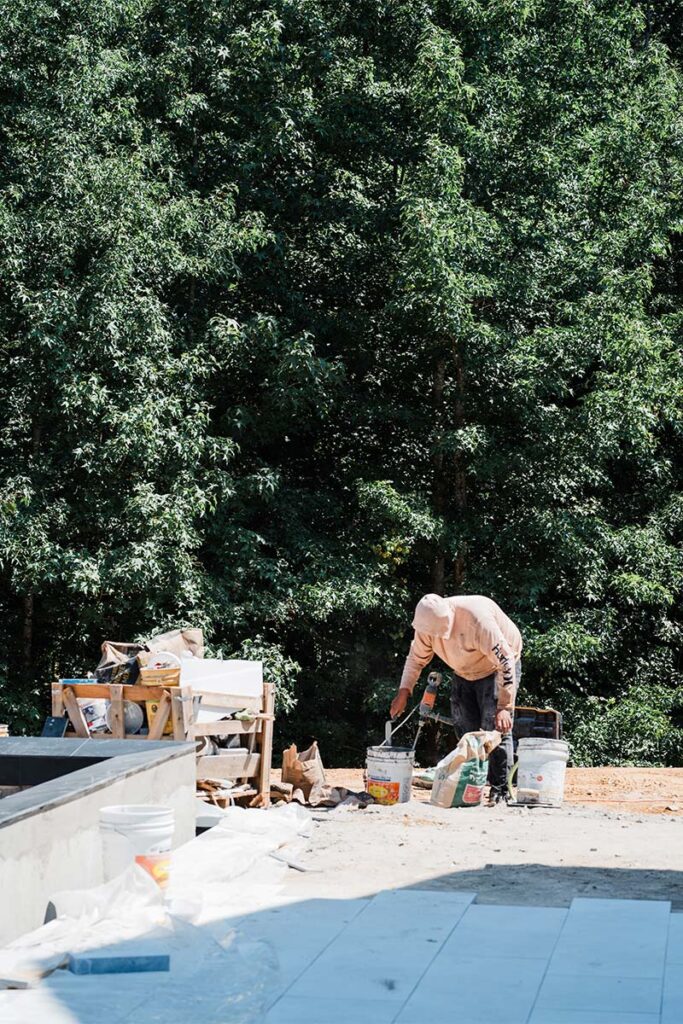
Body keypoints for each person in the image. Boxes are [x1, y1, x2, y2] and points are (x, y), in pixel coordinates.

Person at [390, 593, 522, 804]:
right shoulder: (426, 626)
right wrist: (404, 691)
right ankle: (473, 785)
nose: (438, 637)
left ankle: (501, 789)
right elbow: (415, 659)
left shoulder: (477, 619)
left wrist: (505, 706)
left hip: (497, 667)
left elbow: (505, 660)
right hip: (463, 670)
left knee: (495, 727)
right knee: (465, 727)